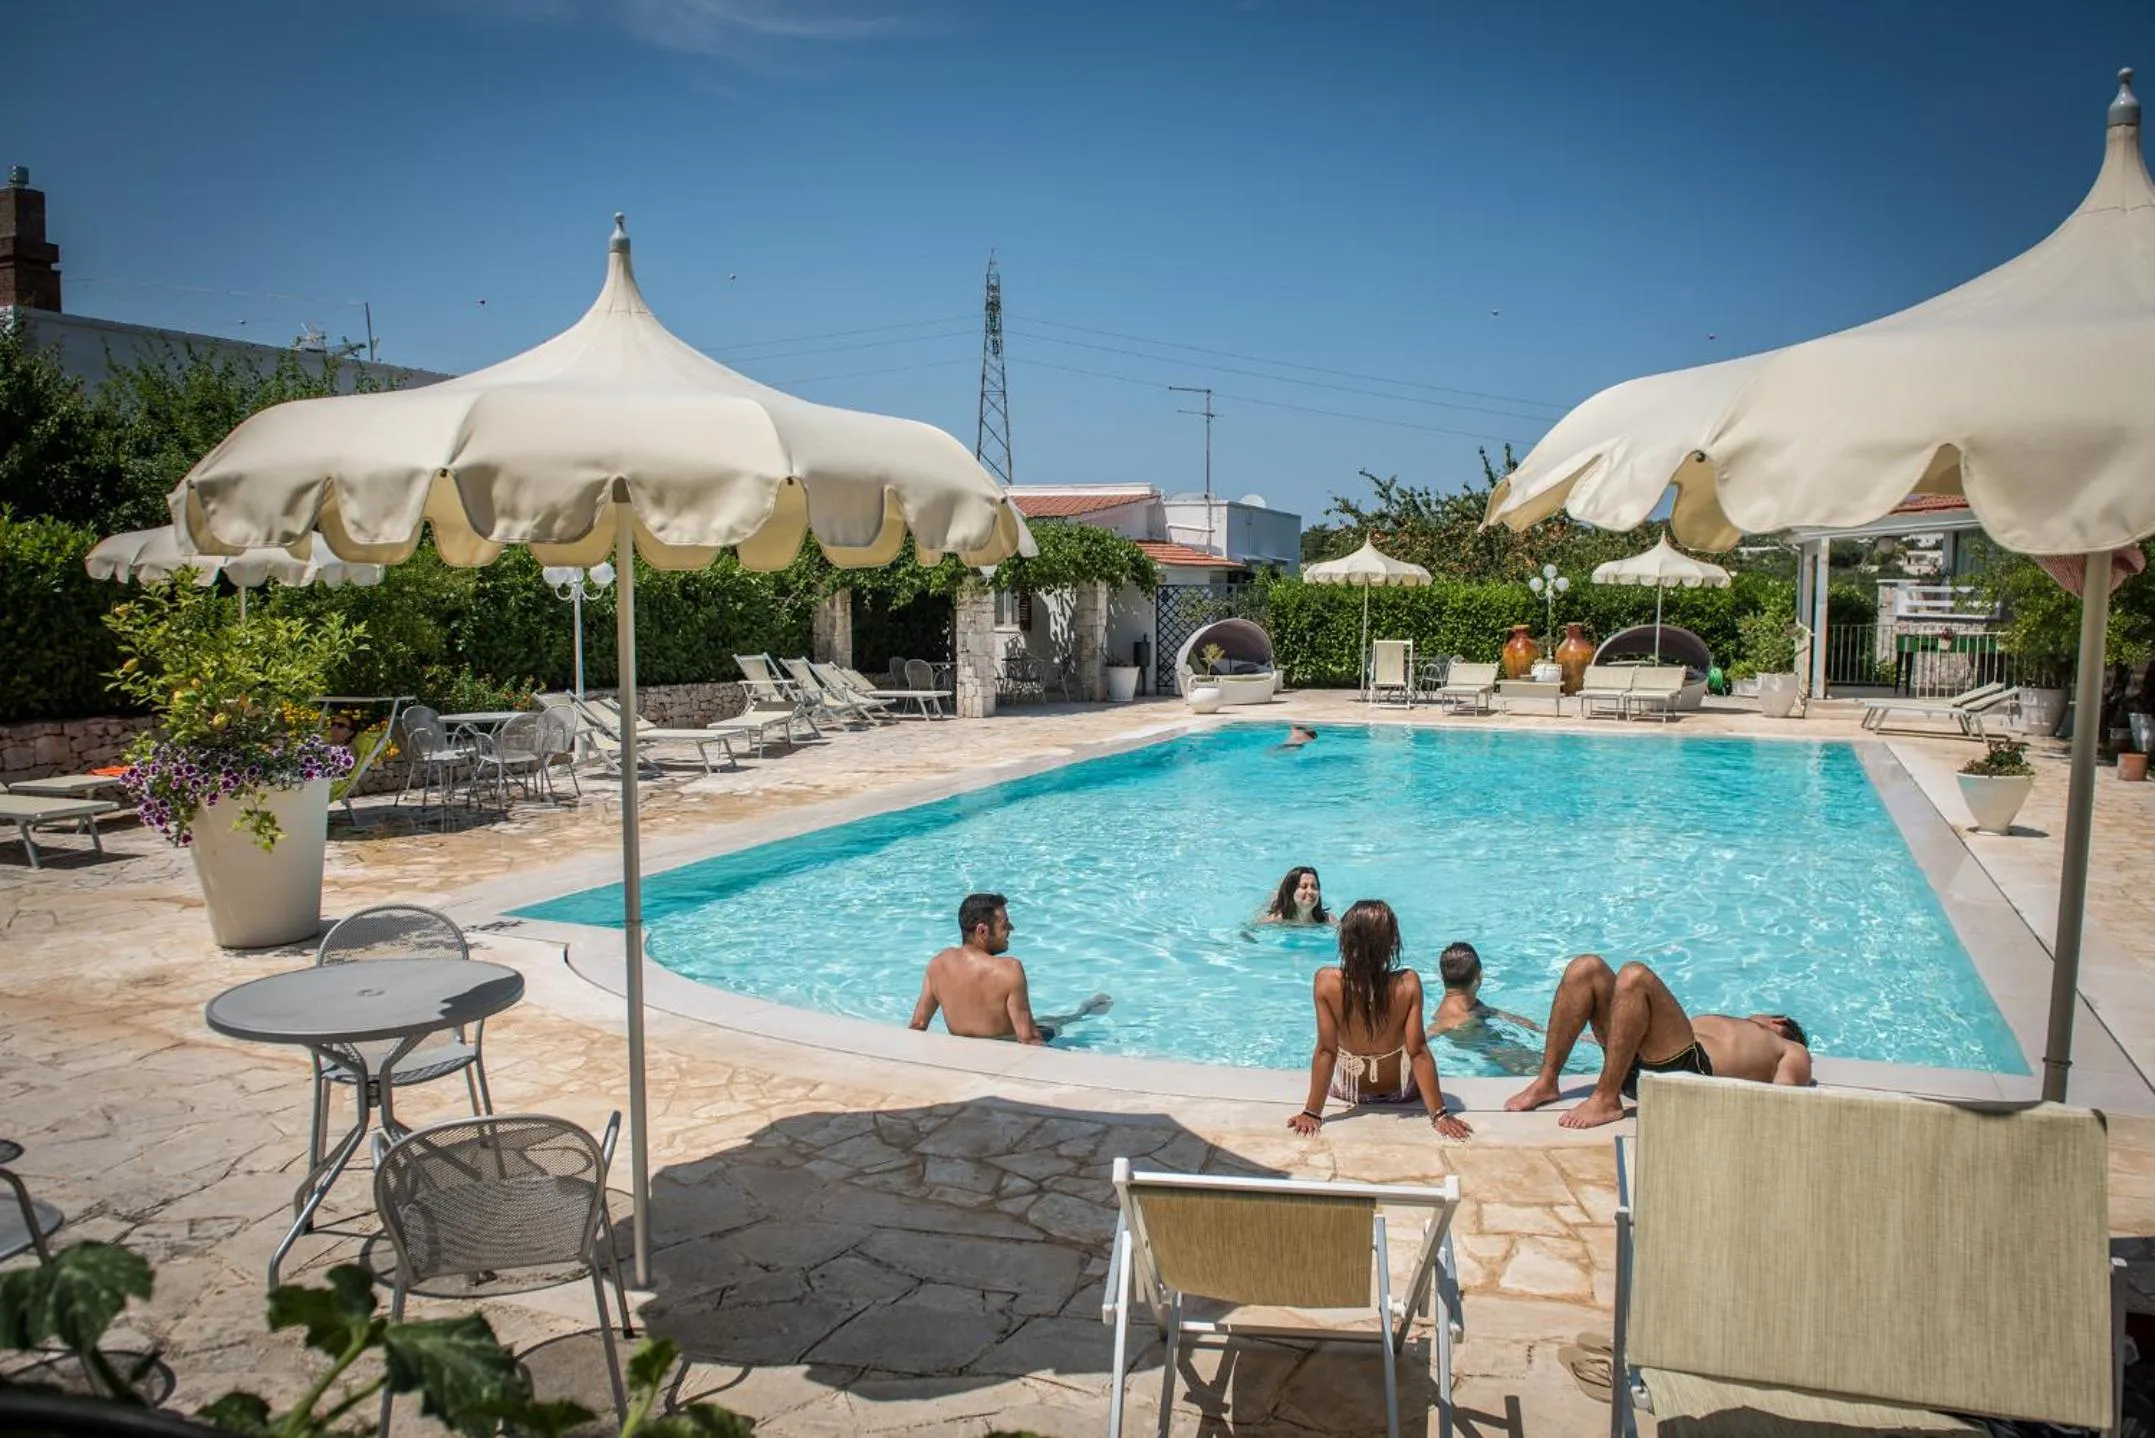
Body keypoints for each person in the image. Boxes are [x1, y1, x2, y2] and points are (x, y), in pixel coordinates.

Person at [1504, 953, 1811, 1129]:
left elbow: (1782, 1108)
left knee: (1635, 976)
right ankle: (1547, 1081)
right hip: (1638, 1064)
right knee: (1586, 968)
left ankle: (1606, 1099)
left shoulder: (1789, 1048)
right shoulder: (1734, 1026)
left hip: (1689, 1073)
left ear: (1777, 1022)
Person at [1290, 900, 1473, 1139]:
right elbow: (1418, 1051)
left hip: (1348, 1091)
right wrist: (1439, 1114)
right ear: (1391, 943)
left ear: (1346, 941)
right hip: (1402, 1092)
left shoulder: (1326, 982)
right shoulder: (1408, 983)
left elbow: (1326, 1050)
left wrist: (1312, 1112)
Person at [909, 893, 1110, 1044]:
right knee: (1056, 1025)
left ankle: (1082, 1011)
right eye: (1005, 925)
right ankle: (1083, 1011)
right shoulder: (1009, 969)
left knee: (1046, 1021)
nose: (1011, 929)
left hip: (965, 1053)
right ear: (982, 931)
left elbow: (918, 1025)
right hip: (1004, 1052)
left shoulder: (938, 964)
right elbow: (1028, 1038)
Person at [1426, 941, 1545, 1075]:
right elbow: (1426, 1036)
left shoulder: (1473, 1006)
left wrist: (1543, 1031)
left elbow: (1505, 1016)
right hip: (1496, 1052)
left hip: (1495, 1046)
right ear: (1480, 976)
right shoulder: (1457, 1018)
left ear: (1441, 976)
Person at [1257, 866, 1332, 926]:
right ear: (1291, 891)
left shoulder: (1327, 919)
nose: (1310, 892)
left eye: (1314, 887)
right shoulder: (1276, 919)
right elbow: (1249, 932)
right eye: (1304, 886)